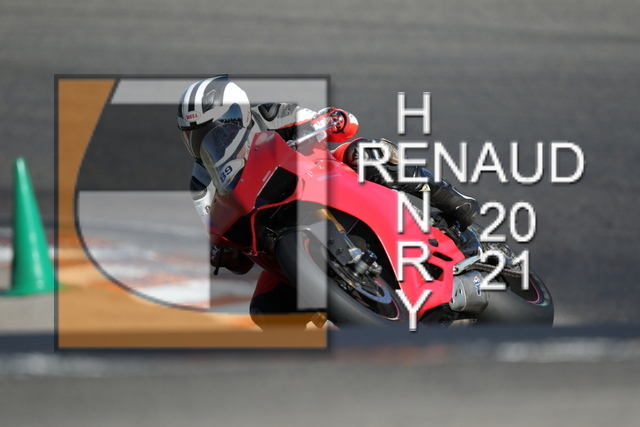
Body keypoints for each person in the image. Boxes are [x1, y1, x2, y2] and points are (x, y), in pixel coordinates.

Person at [177, 75, 479, 328]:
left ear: (238, 115)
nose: (206, 141)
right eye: (194, 136)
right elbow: (221, 234)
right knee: (266, 313)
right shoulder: (201, 184)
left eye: (215, 129)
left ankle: (447, 196)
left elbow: (330, 122)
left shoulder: (268, 116)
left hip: (319, 179)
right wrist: (223, 251)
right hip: (273, 232)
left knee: (360, 152)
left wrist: (330, 119)